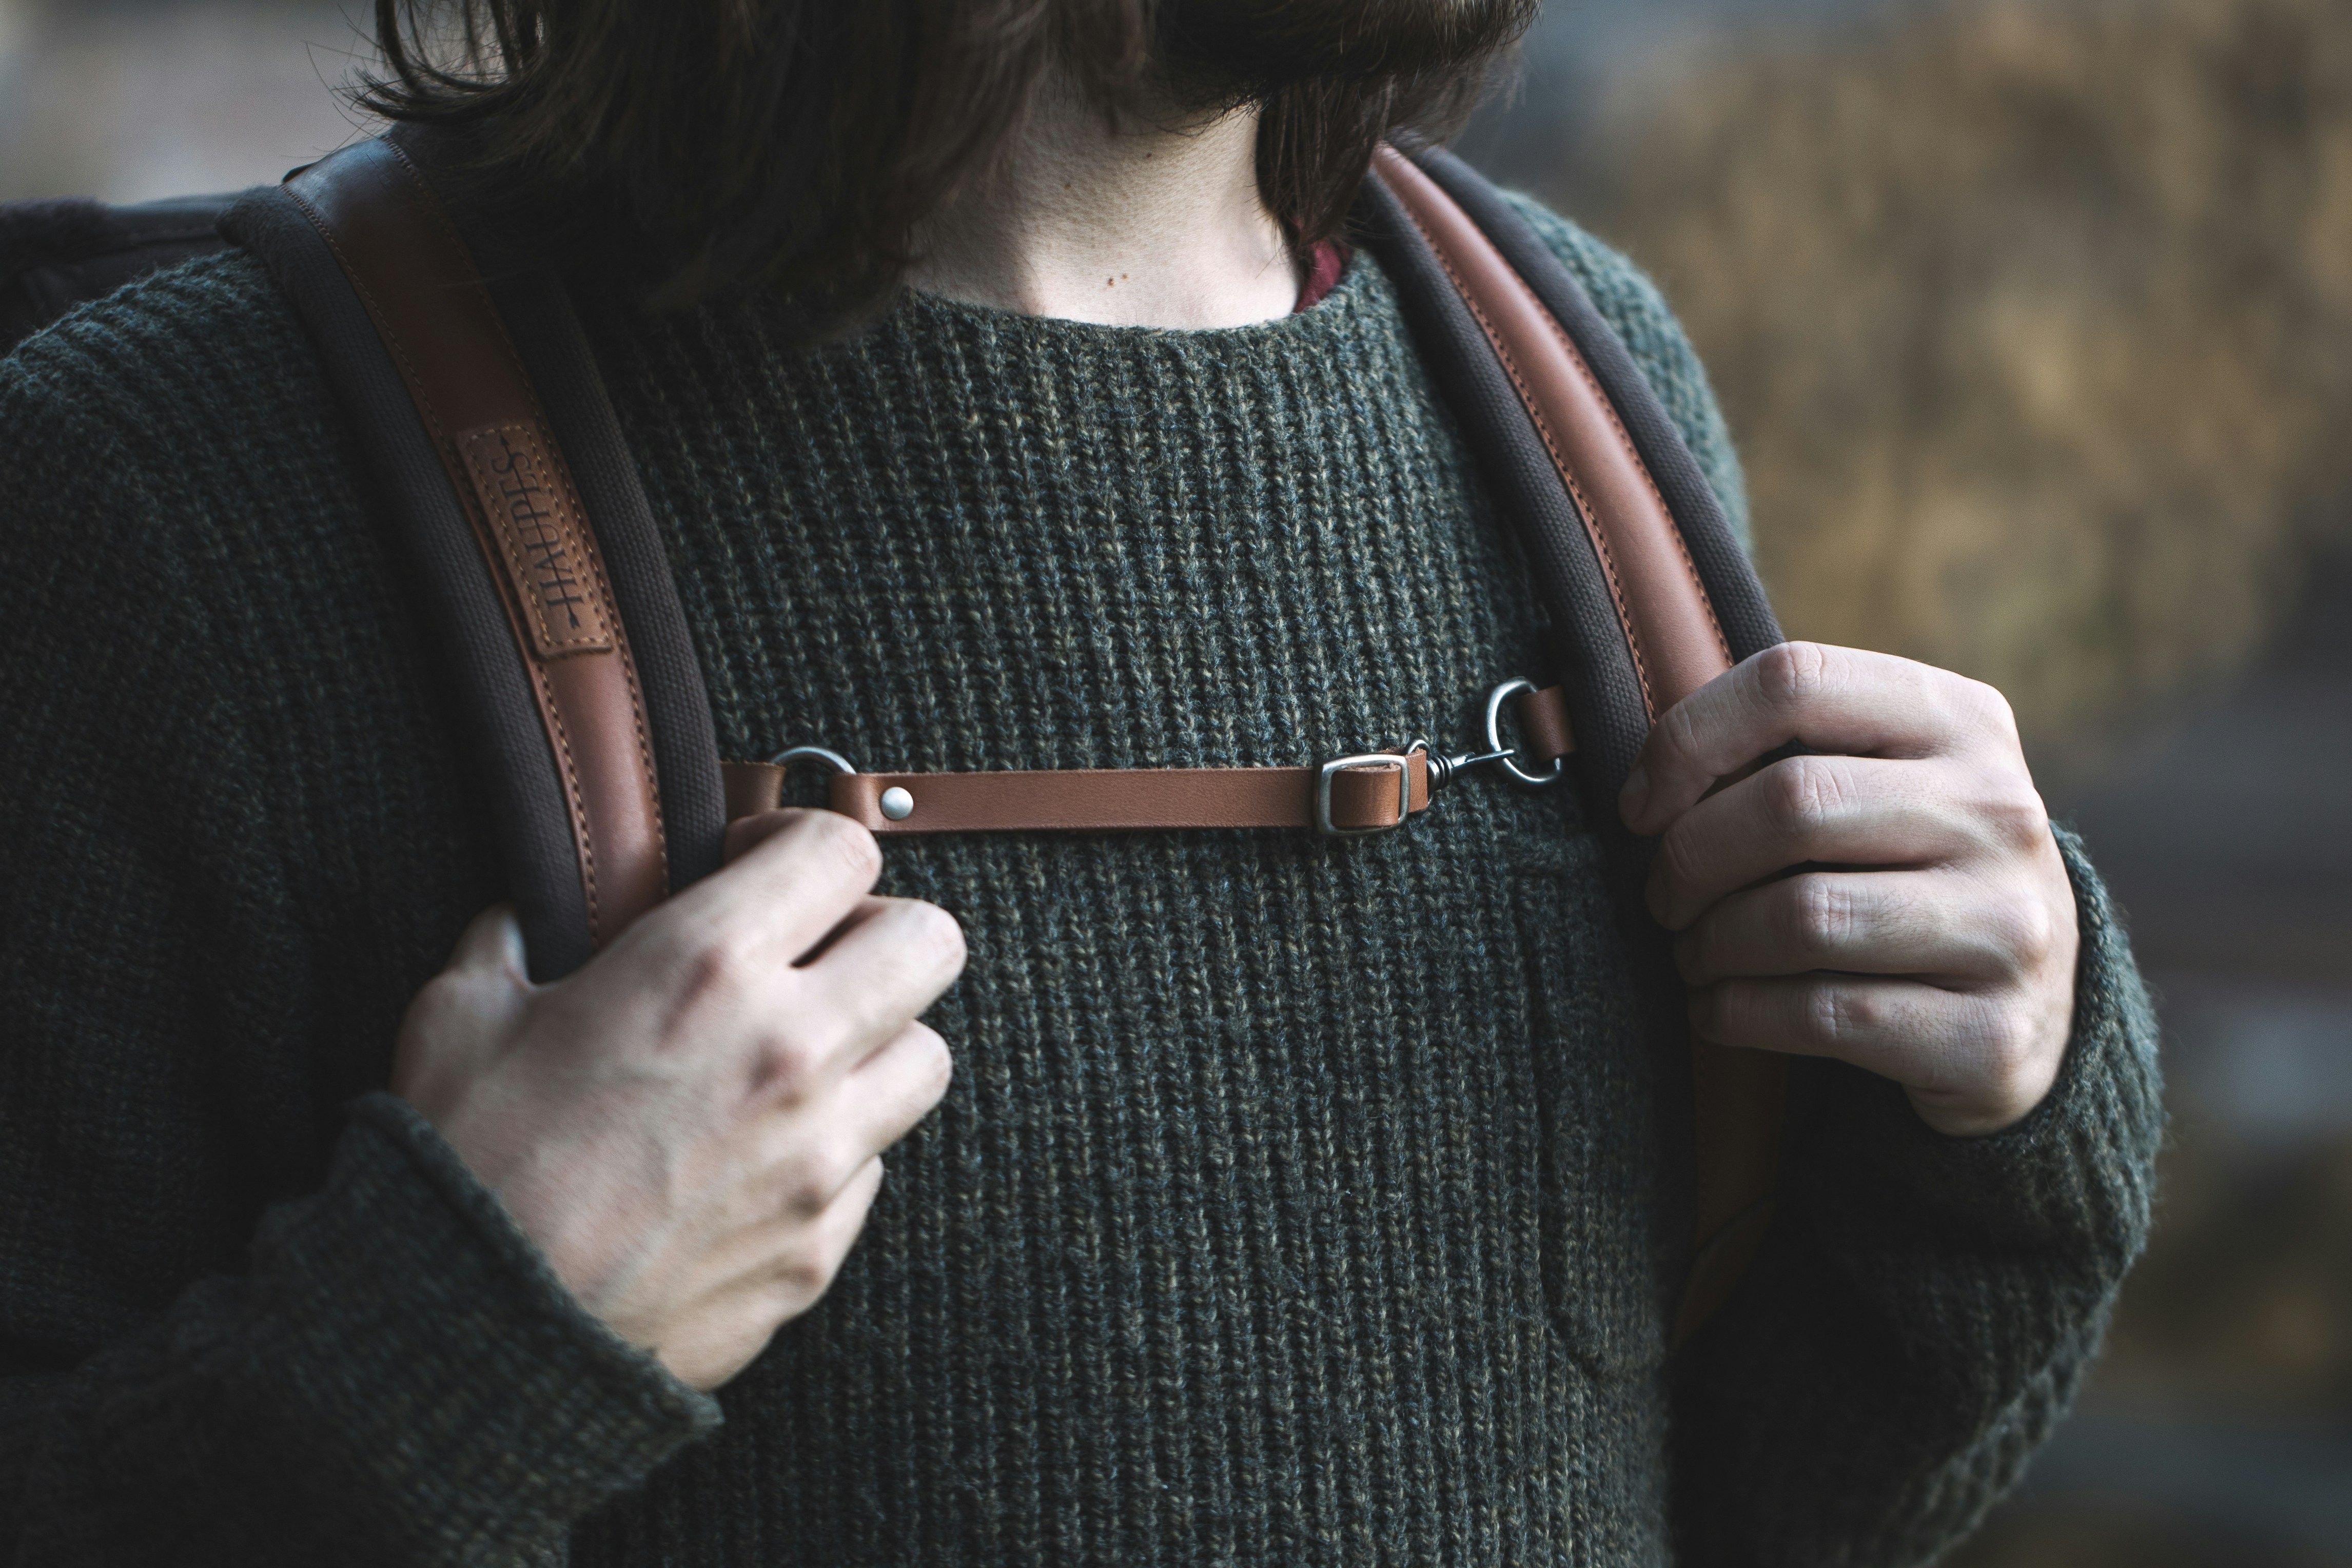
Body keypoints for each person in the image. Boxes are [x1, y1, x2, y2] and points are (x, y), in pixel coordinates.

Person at [0, 1, 2162, 1563]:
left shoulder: (1571, 397)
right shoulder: (166, 499)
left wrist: (2006, 1098)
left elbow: (1754, 1505)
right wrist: (460, 1343)